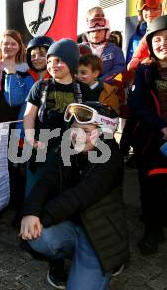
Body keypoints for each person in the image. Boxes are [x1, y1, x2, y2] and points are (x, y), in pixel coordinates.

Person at [20, 102, 129, 290]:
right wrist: (30, 212)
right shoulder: (69, 149)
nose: (77, 135)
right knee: (37, 237)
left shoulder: (111, 159)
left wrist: (41, 218)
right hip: (72, 224)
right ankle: (61, 257)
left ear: (105, 133)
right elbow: (47, 181)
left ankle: (112, 261)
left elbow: (79, 196)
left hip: (98, 233)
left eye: (86, 130)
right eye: (74, 128)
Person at [23, 39, 94, 196]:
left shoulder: (83, 90)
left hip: (69, 152)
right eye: (49, 61)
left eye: (59, 60)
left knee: (61, 194)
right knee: (34, 192)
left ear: (71, 62)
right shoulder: (40, 86)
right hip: (40, 149)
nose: (52, 65)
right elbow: (28, 115)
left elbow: (90, 122)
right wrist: (29, 138)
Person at [128, 15, 167, 255]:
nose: (163, 43)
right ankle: (153, 230)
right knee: (152, 186)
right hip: (152, 138)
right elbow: (137, 104)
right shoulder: (144, 71)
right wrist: (160, 126)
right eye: (158, 40)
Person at [85, 8, 126, 83]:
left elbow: (120, 69)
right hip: (86, 89)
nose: (95, 34)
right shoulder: (83, 49)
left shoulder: (115, 50)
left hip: (107, 89)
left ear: (107, 32)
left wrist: (100, 81)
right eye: (92, 31)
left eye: (99, 31)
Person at [127, 0, 164, 71]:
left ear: (162, 10)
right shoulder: (139, 36)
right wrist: (136, 60)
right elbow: (138, 53)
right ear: (141, 12)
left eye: (155, 8)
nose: (150, 12)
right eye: (146, 9)